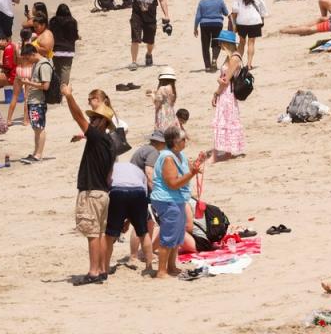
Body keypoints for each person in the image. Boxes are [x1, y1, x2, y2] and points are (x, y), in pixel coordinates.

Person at [62, 84, 115, 285]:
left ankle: (94, 272)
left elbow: (77, 116)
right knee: (100, 233)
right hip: (103, 193)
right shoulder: (109, 141)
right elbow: (110, 173)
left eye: (93, 118)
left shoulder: (95, 135)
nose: (90, 121)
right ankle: (101, 269)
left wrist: (68, 96)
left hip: (92, 192)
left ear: (99, 121)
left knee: (92, 234)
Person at [151, 126, 205, 279]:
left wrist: (198, 163)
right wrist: (191, 174)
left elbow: (187, 168)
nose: (185, 141)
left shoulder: (179, 154)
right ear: (174, 141)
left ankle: (171, 266)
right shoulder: (168, 157)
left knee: (177, 234)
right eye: (183, 139)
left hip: (177, 199)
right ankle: (161, 271)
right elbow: (172, 183)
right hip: (167, 199)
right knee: (169, 235)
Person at [104, 160, 153, 274]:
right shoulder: (138, 170)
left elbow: (107, 185)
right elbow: (144, 193)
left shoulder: (111, 167)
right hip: (138, 191)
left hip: (117, 190)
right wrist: (129, 220)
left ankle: (105, 267)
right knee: (143, 232)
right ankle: (149, 267)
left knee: (110, 234)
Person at [211, 30, 246, 162]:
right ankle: (227, 152)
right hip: (228, 94)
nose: (219, 44)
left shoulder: (233, 59)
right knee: (227, 121)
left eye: (221, 42)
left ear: (225, 43)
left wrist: (216, 91)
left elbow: (225, 81)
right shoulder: (232, 57)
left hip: (226, 95)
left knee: (221, 121)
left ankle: (215, 156)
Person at [128, 0, 170, 69]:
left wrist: (166, 14)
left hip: (150, 17)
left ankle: (149, 54)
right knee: (135, 39)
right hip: (137, 15)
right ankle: (134, 61)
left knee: (150, 41)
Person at [18, 44, 52, 163]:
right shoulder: (37, 64)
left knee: (39, 128)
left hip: (38, 101)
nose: (27, 61)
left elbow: (46, 86)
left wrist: (29, 83)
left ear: (33, 54)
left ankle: (38, 154)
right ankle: (35, 152)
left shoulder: (43, 65)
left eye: (27, 58)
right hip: (34, 101)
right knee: (36, 128)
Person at [231, 0, 267, 69]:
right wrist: (262, 20)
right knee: (251, 43)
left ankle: (236, 64)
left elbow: (234, 10)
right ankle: (249, 64)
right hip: (254, 21)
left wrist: (234, 24)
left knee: (241, 43)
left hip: (241, 21)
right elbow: (263, 10)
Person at [194, 0, 230, 72]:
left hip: (204, 25)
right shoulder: (220, 1)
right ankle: (214, 59)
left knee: (205, 45)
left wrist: (195, 27)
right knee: (216, 43)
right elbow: (226, 13)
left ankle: (207, 66)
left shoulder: (202, 2)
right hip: (217, 24)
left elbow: (198, 16)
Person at [49, 3, 80, 84]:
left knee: (57, 70)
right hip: (68, 51)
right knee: (66, 69)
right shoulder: (72, 21)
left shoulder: (53, 20)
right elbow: (74, 36)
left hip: (56, 50)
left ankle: (57, 90)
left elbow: (50, 34)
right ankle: (63, 88)